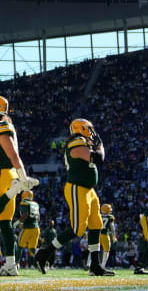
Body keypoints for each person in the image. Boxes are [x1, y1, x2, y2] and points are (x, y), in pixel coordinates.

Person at [35, 118, 109, 276]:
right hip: (77, 189)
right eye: (89, 128)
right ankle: (44, 253)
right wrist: (100, 145)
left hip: (89, 190)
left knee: (96, 225)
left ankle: (95, 265)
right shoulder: (76, 142)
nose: (92, 132)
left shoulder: (83, 142)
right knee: (78, 229)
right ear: (80, 129)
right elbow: (98, 158)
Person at [0, 94, 37, 277]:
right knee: (4, 224)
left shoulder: (1, 126)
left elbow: (12, 155)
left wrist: (23, 178)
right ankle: (11, 265)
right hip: (2, 173)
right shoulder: (1, 125)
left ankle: (13, 190)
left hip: (2, 175)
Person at [16, 190, 40, 267]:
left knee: (19, 246)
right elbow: (38, 218)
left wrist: (17, 223)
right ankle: (39, 262)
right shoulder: (36, 204)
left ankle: (16, 263)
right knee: (33, 249)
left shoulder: (24, 203)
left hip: (27, 228)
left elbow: (25, 215)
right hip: (36, 228)